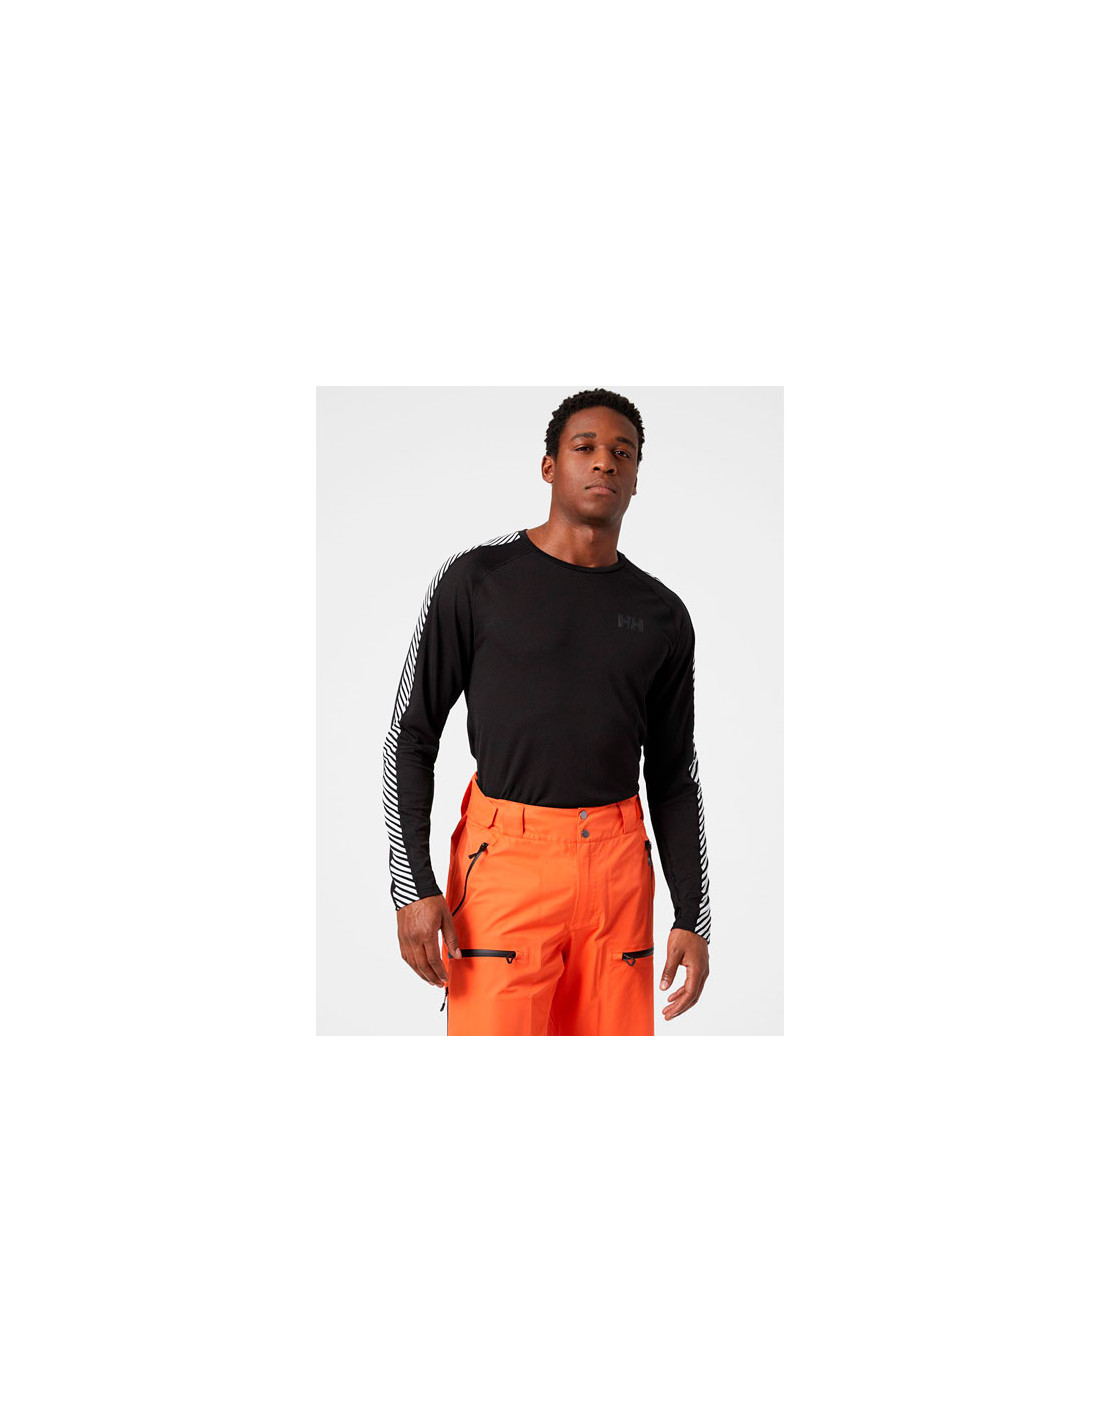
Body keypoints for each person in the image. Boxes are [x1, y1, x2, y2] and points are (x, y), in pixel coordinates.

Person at [382, 388, 711, 1035]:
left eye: (623, 452)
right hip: (505, 866)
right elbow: (411, 736)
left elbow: (675, 773)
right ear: (549, 467)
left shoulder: (662, 614)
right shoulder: (477, 580)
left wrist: (691, 917)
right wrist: (412, 886)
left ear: (637, 477)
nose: (605, 461)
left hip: (618, 874)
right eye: (585, 447)